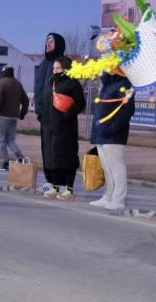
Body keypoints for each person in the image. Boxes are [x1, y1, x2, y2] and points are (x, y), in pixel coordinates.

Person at [39, 58, 85, 198]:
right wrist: (42, 117)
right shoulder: (50, 82)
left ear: (66, 68)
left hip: (66, 128)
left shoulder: (72, 84)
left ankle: (69, 188)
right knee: (53, 157)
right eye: (54, 68)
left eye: (58, 68)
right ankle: (55, 186)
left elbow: (80, 103)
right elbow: (44, 101)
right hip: (49, 127)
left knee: (66, 157)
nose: (55, 71)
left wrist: (67, 115)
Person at [89, 70, 134, 210]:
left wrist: (112, 127)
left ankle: (118, 199)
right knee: (107, 167)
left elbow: (127, 110)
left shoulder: (125, 83)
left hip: (113, 134)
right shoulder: (108, 83)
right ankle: (108, 195)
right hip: (101, 133)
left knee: (116, 167)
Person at [34, 33, 67, 168]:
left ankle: (59, 181)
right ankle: (50, 180)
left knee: (57, 149)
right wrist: (39, 110)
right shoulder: (43, 64)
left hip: (57, 114)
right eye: (47, 41)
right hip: (44, 115)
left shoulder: (63, 63)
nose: (48, 44)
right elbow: (38, 88)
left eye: (51, 42)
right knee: (46, 148)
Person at [0, 66, 30, 170]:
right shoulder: (18, 84)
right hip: (14, 116)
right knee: (10, 139)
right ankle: (20, 157)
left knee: (1, 140)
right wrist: (22, 113)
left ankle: (5, 162)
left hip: (3, 115)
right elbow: (26, 101)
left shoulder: (2, 82)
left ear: (3, 72)